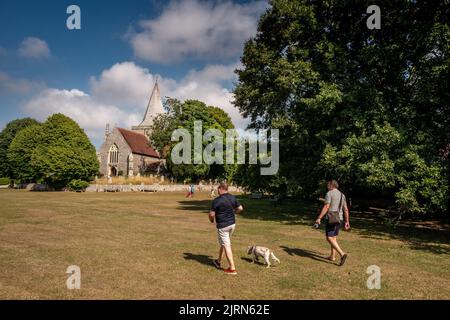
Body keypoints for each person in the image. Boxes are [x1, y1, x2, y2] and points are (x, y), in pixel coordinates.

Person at [209, 182, 243, 275]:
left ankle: (232, 268)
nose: (217, 191)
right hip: (232, 224)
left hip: (223, 226)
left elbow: (211, 214)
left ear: (220, 188)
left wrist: (211, 220)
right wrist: (234, 212)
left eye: (217, 189)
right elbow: (240, 208)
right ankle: (218, 261)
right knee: (224, 243)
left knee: (226, 245)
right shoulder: (233, 197)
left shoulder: (217, 200)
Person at [315, 180, 350, 266]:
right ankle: (332, 256)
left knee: (329, 238)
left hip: (331, 218)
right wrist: (347, 221)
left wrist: (319, 218)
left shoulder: (329, 193)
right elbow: (345, 209)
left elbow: (326, 206)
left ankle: (342, 254)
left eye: (328, 184)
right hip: (340, 219)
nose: (327, 186)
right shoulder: (342, 195)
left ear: (331, 185)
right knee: (333, 237)